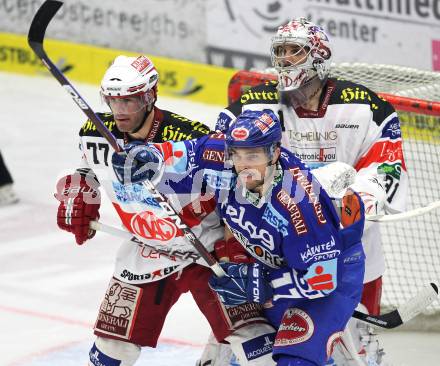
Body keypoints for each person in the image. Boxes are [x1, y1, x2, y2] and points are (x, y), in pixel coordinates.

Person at [55, 55, 272, 366]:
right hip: (147, 248)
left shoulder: (191, 135)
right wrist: (79, 192)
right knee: (111, 350)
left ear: (150, 96)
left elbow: (233, 189)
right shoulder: (95, 132)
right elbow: (87, 169)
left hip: (206, 248)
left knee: (255, 341)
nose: (119, 111)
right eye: (113, 101)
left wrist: (233, 243)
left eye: (129, 101)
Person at [215, 18, 407, 365]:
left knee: (353, 353)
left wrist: (333, 214)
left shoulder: (368, 109)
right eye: (280, 51)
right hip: (270, 251)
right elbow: (218, 163)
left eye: (295, 51)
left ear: (318, 56)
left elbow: (385, 174)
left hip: (352, 252)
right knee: (244, 353)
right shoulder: (250, 108)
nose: (285, 59)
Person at [111, 109, 366, 366]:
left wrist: (263, 282)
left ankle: (339, 340)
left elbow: (323, 278)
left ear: (274, 153)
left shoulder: (298, 205)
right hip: (278, 267)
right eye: (237, 154)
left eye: (253, 155)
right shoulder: (222, 158)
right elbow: (182, 154)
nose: (243, 164)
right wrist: (147, 158)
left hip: (331, 276)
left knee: (295, 360)